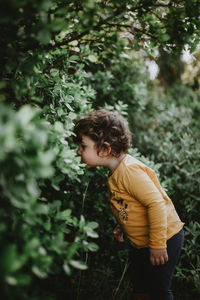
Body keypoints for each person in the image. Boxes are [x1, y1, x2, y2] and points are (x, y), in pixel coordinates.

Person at [74, 109, 184, 300]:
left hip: (165, 237)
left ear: (105, 149)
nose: (78, 151)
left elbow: (156, 204)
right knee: (140, 286)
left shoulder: (129, 171)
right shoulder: (115, 171)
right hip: (141, 243)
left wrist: (158, 245)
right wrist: (124, 224)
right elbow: (131, 204)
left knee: (159, 290)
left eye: (83, 146)